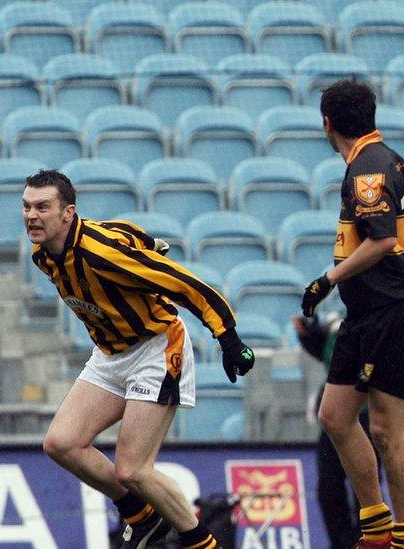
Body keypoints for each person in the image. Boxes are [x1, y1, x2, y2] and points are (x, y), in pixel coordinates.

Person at [25, 169, 255, 549]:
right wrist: (145, 240)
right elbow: (122, 230)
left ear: (68, 214)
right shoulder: (42, 254)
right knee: (61, 442)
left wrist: (228, 338)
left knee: (133, 470)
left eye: (43, 207)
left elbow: (186, 284)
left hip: (157, 347)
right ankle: (142, 517)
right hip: (111, 353)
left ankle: (203, 544)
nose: (32, 215)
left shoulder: (101, 255)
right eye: (27, 206)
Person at [300, 77, 404, 549]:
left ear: (328, 124)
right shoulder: (386, 158)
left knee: (384, 428)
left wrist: (328, 280)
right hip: (368, 309)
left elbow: (382, 239)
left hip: (395, 309)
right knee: (335, 415)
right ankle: (375, 523)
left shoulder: (369, 170)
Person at [292, 312, 379, 549]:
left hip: (366, 416)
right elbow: (329, 356)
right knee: (329, 489)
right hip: (336, 418)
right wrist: (308, 337)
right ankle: (342, 543)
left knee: (364, 488)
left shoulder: (375, 323)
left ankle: (367, 541)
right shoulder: (338, 326)